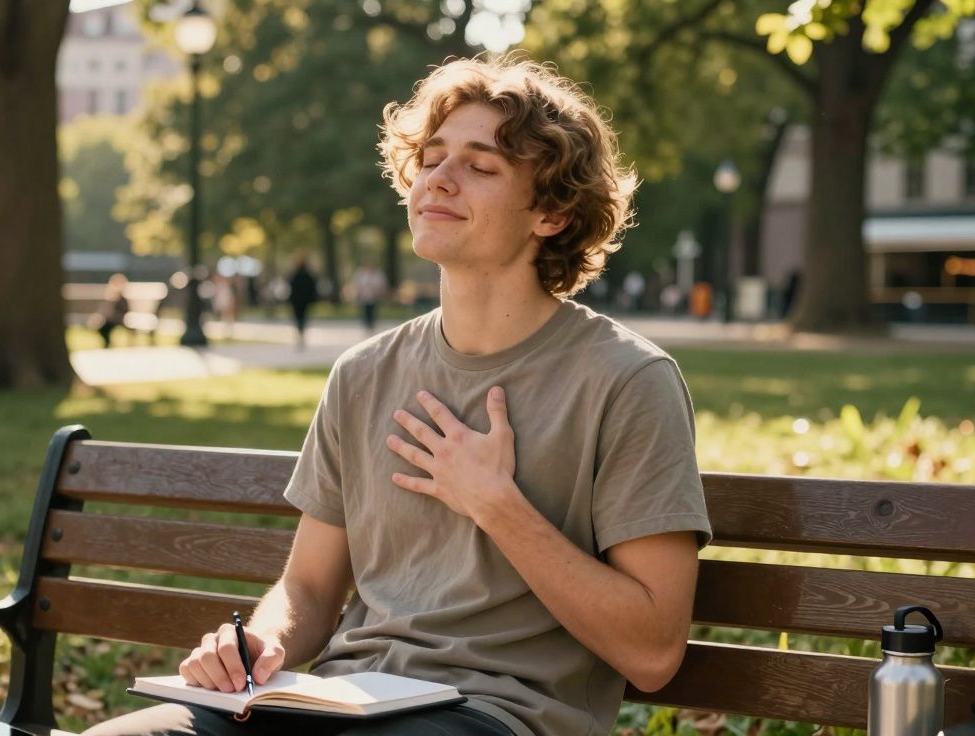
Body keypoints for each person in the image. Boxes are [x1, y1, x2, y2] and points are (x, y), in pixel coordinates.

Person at [86, 55, 710, 736]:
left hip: (497, 715)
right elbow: (309, 589)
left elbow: (652, 652)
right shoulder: (363, 373)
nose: (438, 179)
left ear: (553, 214)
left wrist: (499, 506)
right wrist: (260, 646)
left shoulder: (626, 381)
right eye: (433, 156)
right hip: (338, 699)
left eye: (480, 165)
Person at [286, 252, 319, 350]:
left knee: (298, 317)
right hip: (304, 300)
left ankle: (300, 333)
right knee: (303, 317)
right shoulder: (307, 275)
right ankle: (301, 333)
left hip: (297, 300)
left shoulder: (294, 275)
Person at [350, 258, 388, 333]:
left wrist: (378, 291)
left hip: (374, 295)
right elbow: (356, 283)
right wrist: (358, 291)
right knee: (365, 309)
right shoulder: (361, 273)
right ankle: (366, 324)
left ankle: (372, 323)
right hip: (364, 294)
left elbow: (381, 283)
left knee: (372, 309)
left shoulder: (378, 273)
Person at [96, 273, 131, 348]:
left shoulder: (122, 299)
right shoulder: (112, 297)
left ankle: (107, 343)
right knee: (102, 327)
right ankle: (107, 343)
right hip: (111, 319)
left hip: (117, 319)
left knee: (106, 327)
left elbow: (124, 310)